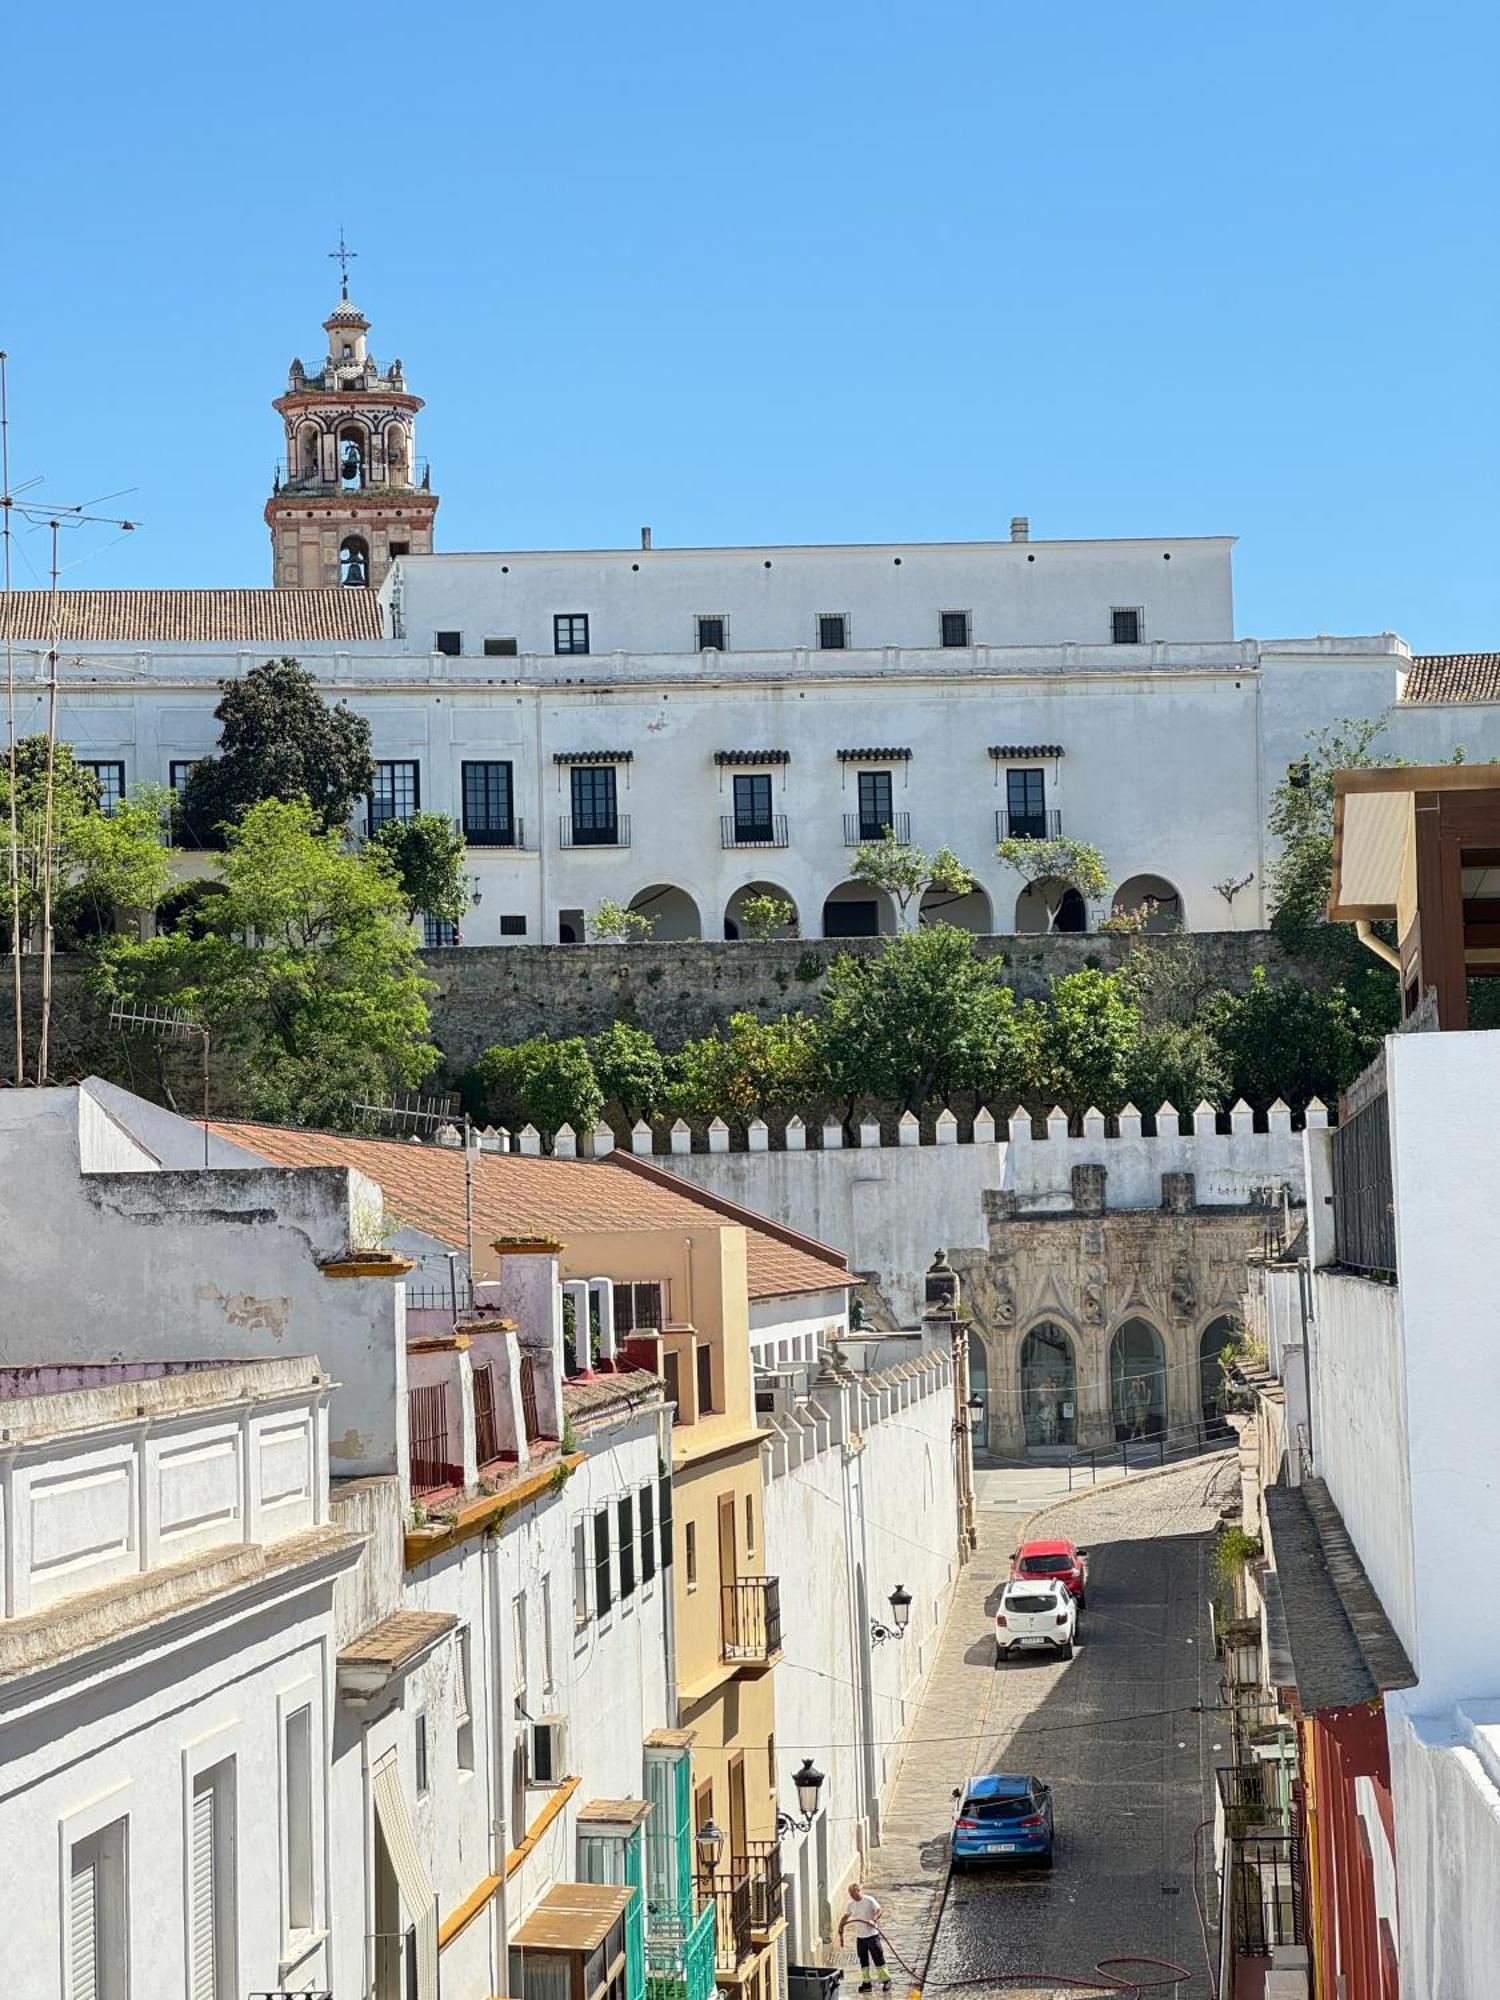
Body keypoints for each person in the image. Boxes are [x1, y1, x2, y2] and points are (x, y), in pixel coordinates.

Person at [837, 1880, 893, 1994]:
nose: (852, 1896)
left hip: (872, 1936)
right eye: (851, 1895)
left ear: (859, 1891)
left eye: (854, 1894)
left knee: (878, 1958)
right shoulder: (851, 1905)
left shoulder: (869, 1900)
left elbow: (879, 1910)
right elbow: (846, 1916)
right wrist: (840, 1926)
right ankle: (866, 1983)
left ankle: (886, 1980)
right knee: (863, 1961)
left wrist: (874, 1919)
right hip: (860, 1938)